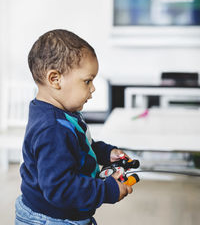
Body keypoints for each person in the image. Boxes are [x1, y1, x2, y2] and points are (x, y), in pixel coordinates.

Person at [15, 29, 133, 225]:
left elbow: (78, 147)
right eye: (87, 81)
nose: (93, 88)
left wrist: (106, 153)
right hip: (51, 219)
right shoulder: (52, 129)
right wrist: (107, 190)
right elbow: (60, 188)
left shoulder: (62, 114)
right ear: (55, 79)